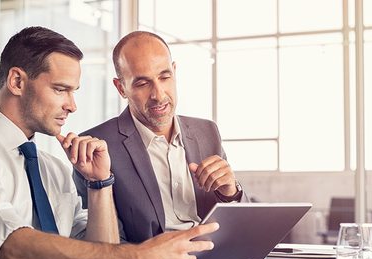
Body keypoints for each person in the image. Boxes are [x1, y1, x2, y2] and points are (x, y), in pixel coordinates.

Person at [0, 26, 218, 259]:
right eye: (61, 90)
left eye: (73, 92)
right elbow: (10, 246)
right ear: (17, 81)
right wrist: (138, 257)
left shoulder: (53, 168)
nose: (72, 105)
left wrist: (99, 184)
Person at [74, 31, 251, 244]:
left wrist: (230, 191)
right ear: (121, 88)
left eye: (164, 77)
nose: (158, 94)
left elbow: (243, 226)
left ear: (174, 72)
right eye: (142, 83)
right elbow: (100, 246)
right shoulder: (97, 146)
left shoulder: (207, 131)